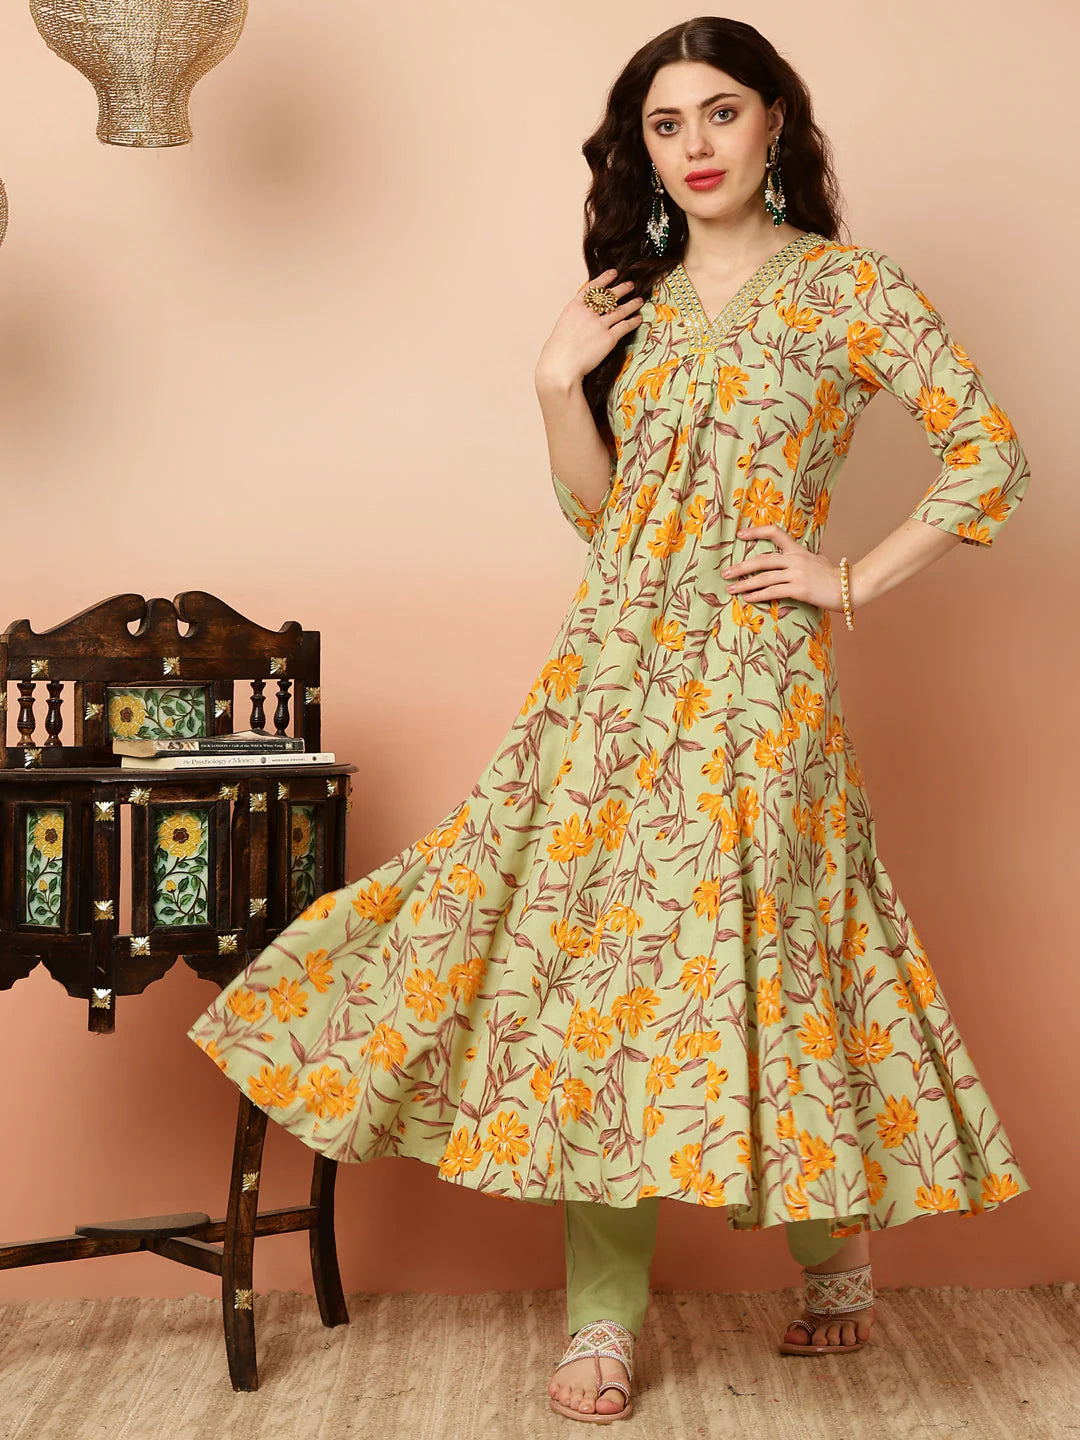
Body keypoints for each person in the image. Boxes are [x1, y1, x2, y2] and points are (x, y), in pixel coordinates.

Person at [187, 15, 1031, 1425]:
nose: (695, 145)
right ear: (640, 147)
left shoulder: (852, 289)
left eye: (721, 112)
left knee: (773, 965)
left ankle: (833, 1254)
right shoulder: (630, 300)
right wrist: (552, 379)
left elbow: (987, 453)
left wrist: (845, 581)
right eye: (664, 123)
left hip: (760, 687)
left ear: (776, 121)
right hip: (610, 680)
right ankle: (602, 1319)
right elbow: (604, 517)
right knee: (599, 982)